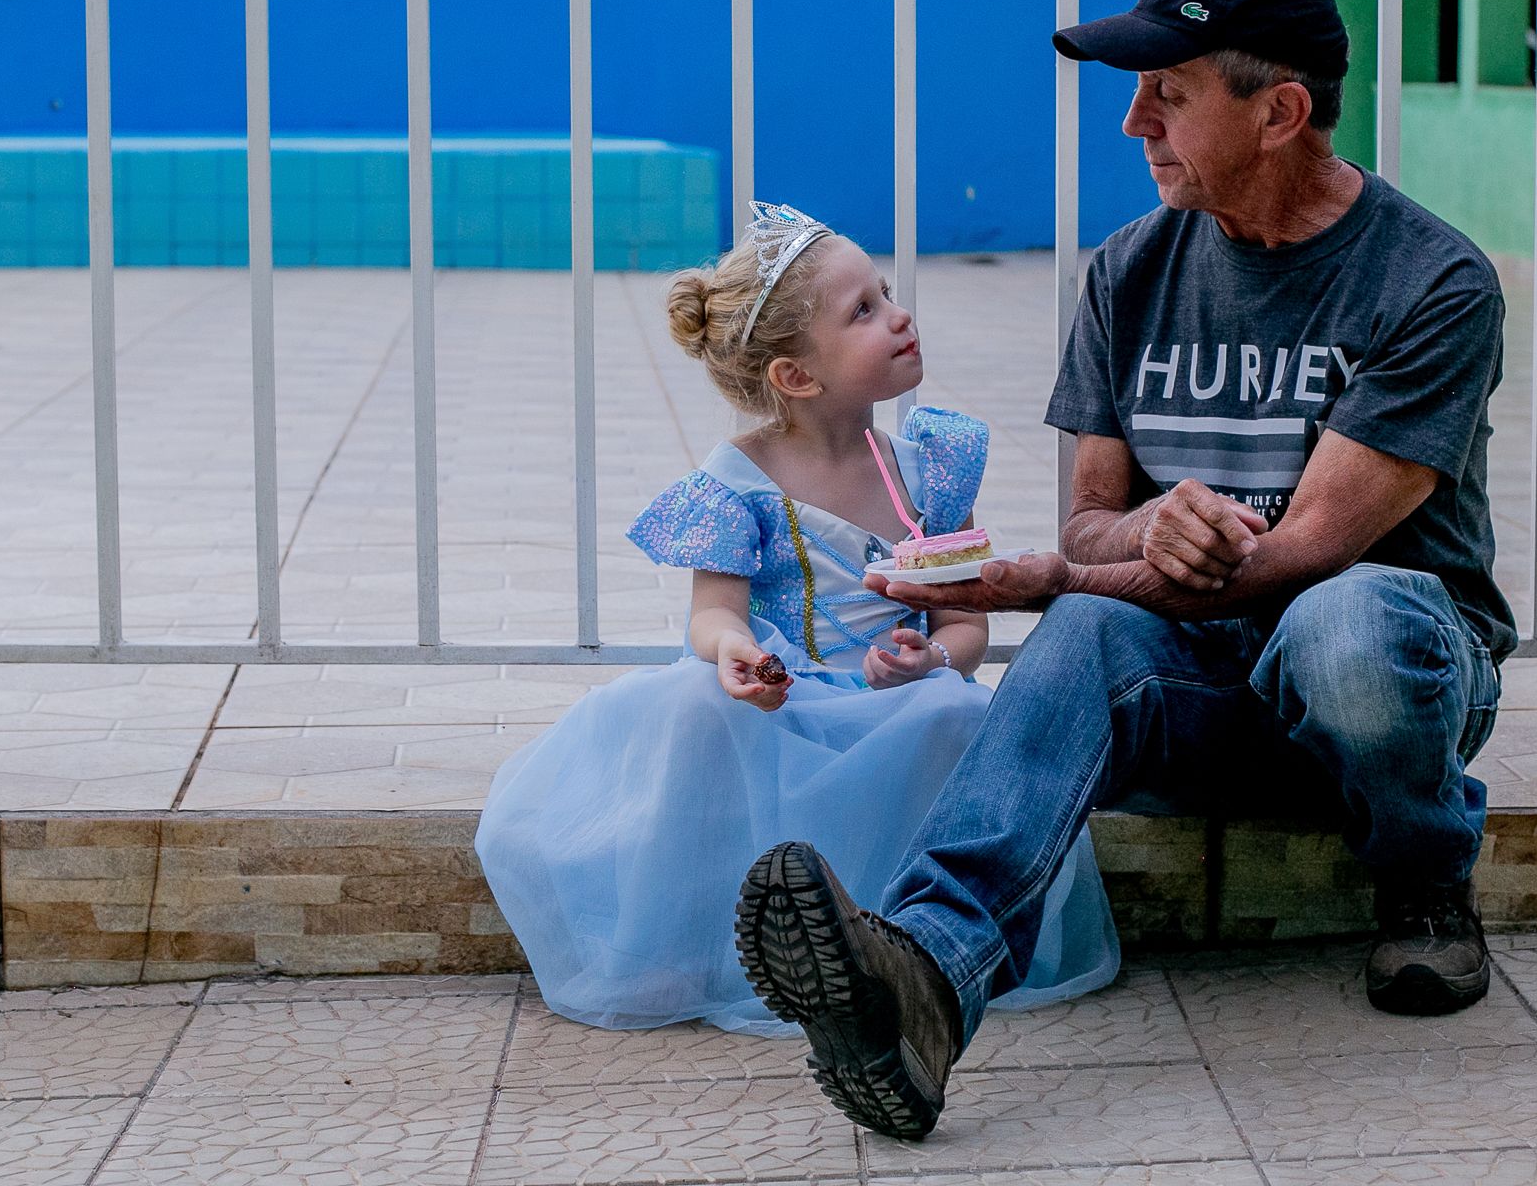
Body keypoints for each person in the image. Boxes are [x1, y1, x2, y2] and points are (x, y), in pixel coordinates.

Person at [734, 0, 1514, 1139]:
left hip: (1385, 690)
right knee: (1100, 621)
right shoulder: (1130, 272)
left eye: (1172, 92)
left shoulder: (1432, 282)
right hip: (1202, 688)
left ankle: (1423, 870)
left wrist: (1047, 575)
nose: (1132, 122)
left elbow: (1308, 547)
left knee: (1344, 616)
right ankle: (926, 979)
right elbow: (1095, 519)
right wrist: (1139, 526)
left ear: (1281, 111)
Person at [475, 202, 1119, 1036]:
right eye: (865, 312)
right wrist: (736, 652)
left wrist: (934, 661)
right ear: (797, 377)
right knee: (694, 706)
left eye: (885, 294)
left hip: (893, 702)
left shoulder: (929, 466)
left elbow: (965, 626)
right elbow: (713, 616)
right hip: (787, 699)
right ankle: (684, 946)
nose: (900, 316)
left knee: (958, 713)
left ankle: (927, 940)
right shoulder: (737, 482)